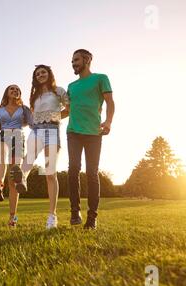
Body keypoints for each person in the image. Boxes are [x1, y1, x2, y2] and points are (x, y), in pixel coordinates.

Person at [12, 65, 70, 229]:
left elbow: (69, 108)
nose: (41, 75)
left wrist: (55, 116)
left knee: (50, 173)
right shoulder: (34, 96)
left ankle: (52, 216)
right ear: (35, 78)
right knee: (28, 158)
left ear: (49, 74)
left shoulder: (58, 91)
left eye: (43, 72)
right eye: (37, 74)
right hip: (36, 130)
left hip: (52, 130)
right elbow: (31, 116)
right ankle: (21, 178)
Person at [67, 49, 115, 230]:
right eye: (72, 61)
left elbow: (110, 102)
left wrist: (108, 122)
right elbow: (68, 110)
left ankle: (92, 217)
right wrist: (46, 117)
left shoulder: (101, 78)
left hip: (94, 133)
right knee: (73, 169)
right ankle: (74, 212)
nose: (73, 63)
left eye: (76, 60)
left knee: (92, 173)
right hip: (73, 132)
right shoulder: (71, 86)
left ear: (87, 60)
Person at [0, 84, 33, 227]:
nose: (15, 91)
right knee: (1, 154)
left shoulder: (24, 109)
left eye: (17, 89)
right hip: (3, 136)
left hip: (18, 138)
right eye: (12, 89)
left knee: (14, 178)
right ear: (6, 93)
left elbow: (32, 124)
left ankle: (13, 218)